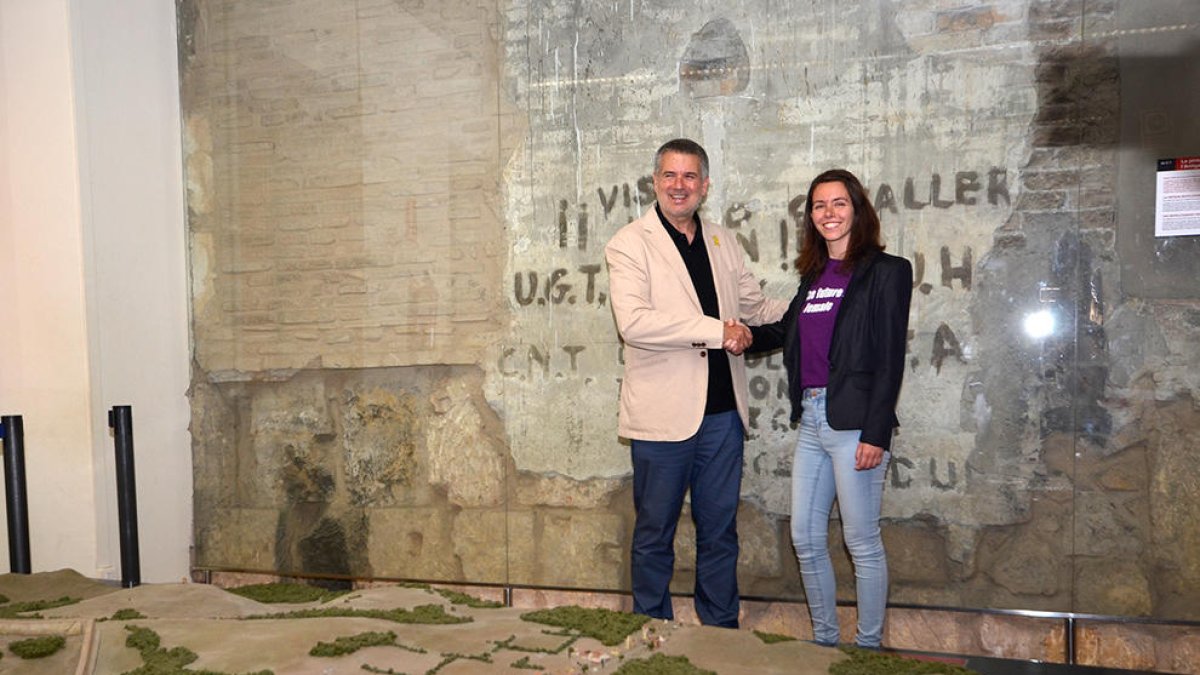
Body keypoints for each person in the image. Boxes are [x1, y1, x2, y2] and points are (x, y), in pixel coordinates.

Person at [605, 138, 788, 627]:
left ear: (705, 186)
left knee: (720, 534)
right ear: (655, 182)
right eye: (670, 175)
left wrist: (819, 305)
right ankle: (650, 630)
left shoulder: (723, 241)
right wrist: (717, 330)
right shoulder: (628, 244)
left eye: (689, 177)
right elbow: (636, 324)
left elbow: (757, 309)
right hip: (661, 421)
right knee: (654, 535)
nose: (679, 185)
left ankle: (722, 633)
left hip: (723, 418)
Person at [749, 169, 912, 648]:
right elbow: (786, 333)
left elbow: (889, 357)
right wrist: (737, 336)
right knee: (805, 537)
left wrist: (876, 433)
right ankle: (824, 642)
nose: (829, 214)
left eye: (839, 203)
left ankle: (867, 647)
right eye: (819, 206)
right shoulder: (813, 276)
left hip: (855, 424)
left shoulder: (888, 271)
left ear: (857, 210)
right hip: (813, 419)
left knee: (861, 542)